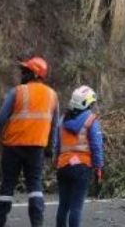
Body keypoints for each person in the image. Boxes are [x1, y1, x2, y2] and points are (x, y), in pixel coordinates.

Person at [0, 57, 60, 227]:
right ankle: (37, 223)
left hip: (12, 147)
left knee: (7, 186)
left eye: (25, 71)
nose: (22, 74)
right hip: (36, 148)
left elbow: (0, 119)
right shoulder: (53, 96)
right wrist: (51, 148)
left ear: (34, 74)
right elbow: (54, 125)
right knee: (35, 187)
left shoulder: (18, 91)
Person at [55, 86, 104, 227]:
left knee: (63, 206)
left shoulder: (62, 120)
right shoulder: (91, 120)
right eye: (91, 103)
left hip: (63, 166)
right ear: (87, 103)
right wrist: (99, 167)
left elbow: (57, 145)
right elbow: (96, 146)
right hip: (82, 167)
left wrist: (56, 162)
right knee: (76, 208)